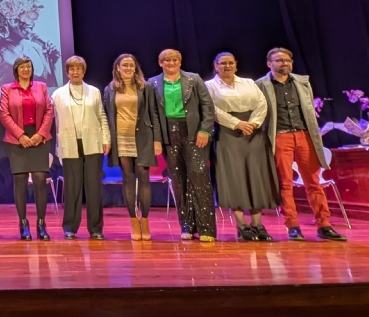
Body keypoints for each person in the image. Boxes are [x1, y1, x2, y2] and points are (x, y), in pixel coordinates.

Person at [256, 47, 347, 241]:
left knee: (314, 182)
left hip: (304, 135)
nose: (284, 64)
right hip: (280, 136)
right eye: (279, 60)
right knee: (285, 183)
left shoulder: (301, 82)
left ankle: (324, 225)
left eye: (287, 60)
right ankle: (293, 226)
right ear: (269, 64)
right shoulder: (261, 85)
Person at [205, 52, 277, 242]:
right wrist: (237, 123)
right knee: (234, 178)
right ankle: (241, 225)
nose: (227, 66)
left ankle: (258, 224)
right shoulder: (210, 86)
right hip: (228, 134)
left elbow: (262, 103)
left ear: (236, 65)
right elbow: (211, 109)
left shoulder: (249, 83)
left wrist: (253, 123)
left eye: (230, 63)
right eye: (223, 63)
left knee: (255, 178)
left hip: (253, 134)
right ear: (216, 65)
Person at [148, 49, 216, 242]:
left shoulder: (193, 79)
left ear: (180, 61)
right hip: (169, 134)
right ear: (160, 62)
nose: (171, 63)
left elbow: (207, 106)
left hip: (194, 133)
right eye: (167, 60)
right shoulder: (153, 83)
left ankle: (206, 229)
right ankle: (187, 225)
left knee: (199, 177)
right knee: (178, 181)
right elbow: (153, 113)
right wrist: (157, 138)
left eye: (175, 59)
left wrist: (205, 130)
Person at [102, 54, 161, 241]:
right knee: (128, 178)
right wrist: (107, 139)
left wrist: (157, 140)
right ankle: (134, 223)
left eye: (131, 65)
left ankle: (144, 221)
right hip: (120, 138)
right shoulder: (110, 89)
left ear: (136, 68)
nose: (128, 68)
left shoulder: (146, 87)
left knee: (143, 176)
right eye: (124, 65)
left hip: (143, 137)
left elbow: (155, 114)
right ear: (117, 67)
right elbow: (106, 115)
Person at [52, 56, 110, 240]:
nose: (75, 72)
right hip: (69, 143)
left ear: (84, 71)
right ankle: (70, 227)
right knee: (72, 188)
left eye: (79, 69)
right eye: (71, 69)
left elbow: (101, 115)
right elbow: (54, 121)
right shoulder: (57, 94)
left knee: (93, 187)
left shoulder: (94, 92)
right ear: (67, 71)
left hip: (92, 142)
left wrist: (106, 138)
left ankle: (95, 228)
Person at [0, 56, 54, 241]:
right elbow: (4, 114)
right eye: (22, 67)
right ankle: (23, 224)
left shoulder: (41, 87)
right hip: (17, 139)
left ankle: (41, 224)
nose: (25, 70)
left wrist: (40, 134)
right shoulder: (7, 89)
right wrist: (20, 136)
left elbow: (49, 111)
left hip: (39, 136)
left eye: (28, 66)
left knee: (40, 179)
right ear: (16, 69)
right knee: (20, 181)